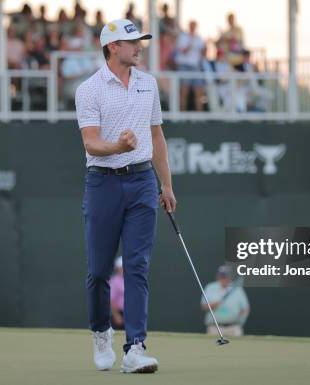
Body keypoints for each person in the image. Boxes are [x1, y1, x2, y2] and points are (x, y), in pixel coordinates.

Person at [75, 18, 176, 373]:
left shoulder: (148, 85)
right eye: (132, 42)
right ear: (112, 47)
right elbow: (90, 142)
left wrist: (166, 184)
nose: (139, 47)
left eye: (141, 42)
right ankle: (101, 332)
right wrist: (117, 144)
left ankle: (135, 347)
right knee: (99, 270)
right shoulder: (89, 90)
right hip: (103, 183)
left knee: (137, 266)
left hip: (143, 182)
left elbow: (157, 137)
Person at [201, 265, 249, 336]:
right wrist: (214, 304)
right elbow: (203, 306)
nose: (224, 278)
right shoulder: (210, 287)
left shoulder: (237, 290)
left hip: (233, 328)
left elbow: (245, 309)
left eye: (226, 276)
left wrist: (240, 322)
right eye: (222, 276)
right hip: (215, 328)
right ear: (218, 276)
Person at [174, 20, 206, 111]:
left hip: (196, 66)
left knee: (199, 91)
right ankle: (182, 116)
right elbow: (184, 51)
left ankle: (199, 117)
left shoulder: (199, 38)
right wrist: (191, 42)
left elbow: (203, 52)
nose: (193, 27)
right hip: (184, 66)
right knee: (184, 91)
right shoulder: (183, 37)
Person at [110, 256, 125, 330]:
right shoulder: (114, 281)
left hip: (131, 313)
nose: (122, 269)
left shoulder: (132, 280)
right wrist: (116, 315)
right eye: (121, 267)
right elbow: (111, 300)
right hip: (119, 313)